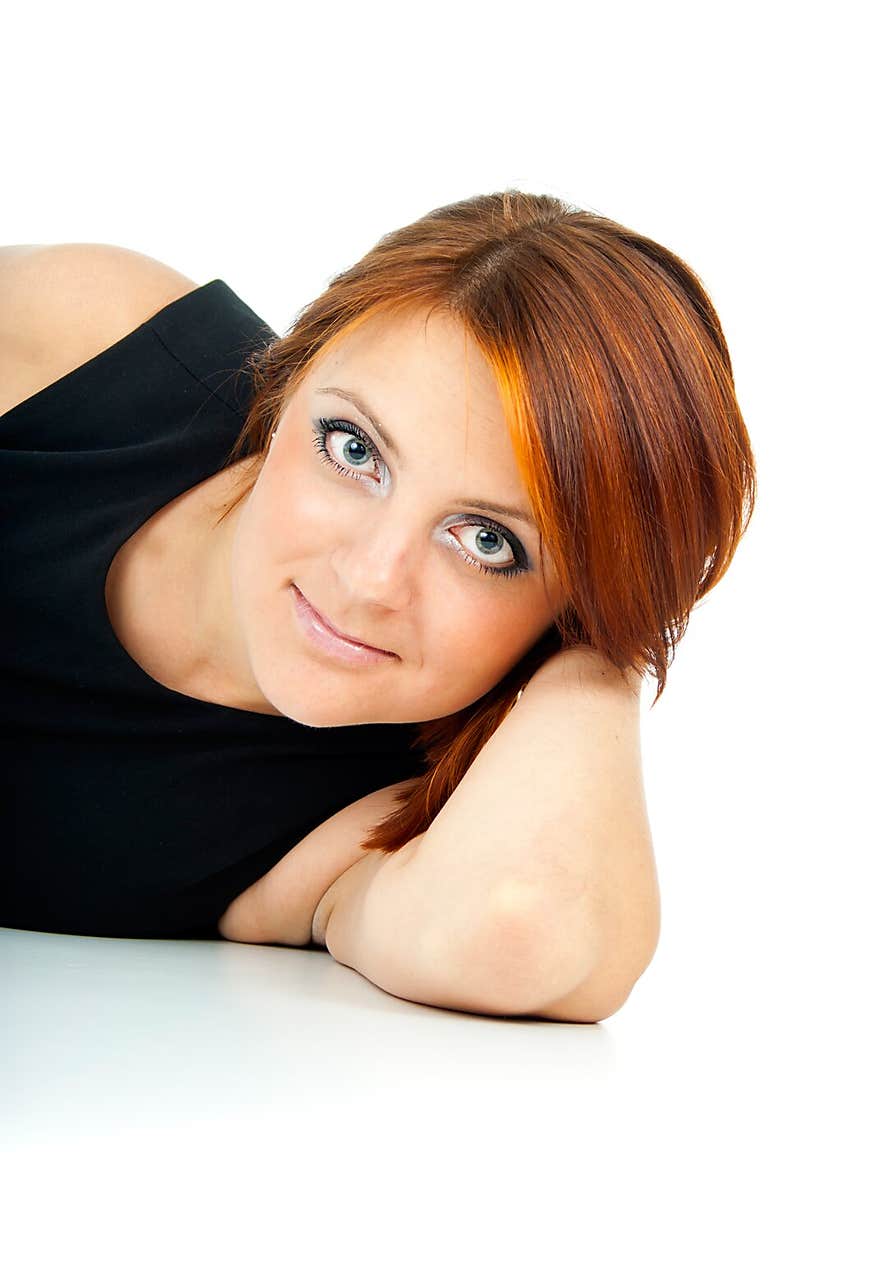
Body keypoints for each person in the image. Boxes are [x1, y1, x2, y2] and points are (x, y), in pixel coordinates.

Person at [0, 189, 756, 1022]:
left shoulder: (372, 824)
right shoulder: (88, 347)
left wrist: (609, 645)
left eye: (488, 542)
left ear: (566, 611)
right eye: (354, 449)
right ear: (287, 383)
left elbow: (523, 924)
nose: (369, 579)